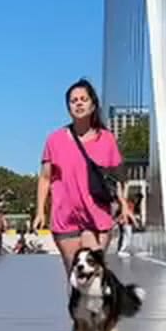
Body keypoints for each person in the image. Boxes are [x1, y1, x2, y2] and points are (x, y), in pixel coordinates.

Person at [33, 79, 129, 274]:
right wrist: (40, 211)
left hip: (97, 216)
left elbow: (119, 177)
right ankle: (76, 305)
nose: (78, 103)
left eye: (83, 99)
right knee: (75, 276)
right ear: (68, 107)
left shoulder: (106, 139)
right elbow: (45, 178)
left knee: (96, 273)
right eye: (73, 100)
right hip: (65, 216)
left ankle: (99, 305)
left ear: (93, 105)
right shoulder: (55, 139)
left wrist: (124, 206)